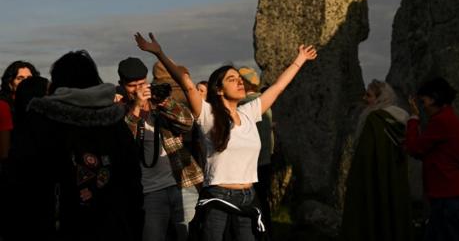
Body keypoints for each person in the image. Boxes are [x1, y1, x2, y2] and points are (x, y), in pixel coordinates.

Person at [134, 32, 317, 241]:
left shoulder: (249, 112)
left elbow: (278, 87)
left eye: (240, 79)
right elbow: (186, 83)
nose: (239, 82)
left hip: (249, 197)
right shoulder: (208, 115)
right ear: (219, 90)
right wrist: (159, 53)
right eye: (232, 79)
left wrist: (300, 59)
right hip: (218, 198)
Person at [6, 50, 144, 241]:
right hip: (112, 227)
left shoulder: (40, 121)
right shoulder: (114, 122)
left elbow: (19, 182)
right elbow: (132, 181)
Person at [116, 57, 203, 241]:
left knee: (191, 235)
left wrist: (164, 102)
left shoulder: (159, 102)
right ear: (122, 85)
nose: (139, 89)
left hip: (182, 182)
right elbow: (123, 141)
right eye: (133, 85)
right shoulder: (120, 109)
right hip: (148, 191)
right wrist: (137, 106)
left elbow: (188, 122)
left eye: (142, 83)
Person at [339, 79, 413, 241]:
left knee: (371, 211)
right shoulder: (401, 120)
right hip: (393, 175)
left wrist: (354, 178)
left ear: (380, 98)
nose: (365, 99)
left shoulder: (375, 119)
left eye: (369, 95)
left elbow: (365, 155)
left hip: (371, 177)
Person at [405, 77, 459, 241]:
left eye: (424, 101)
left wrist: (413, 119)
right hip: (449, 193)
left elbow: (414, 148)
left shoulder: (441, 121)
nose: (423, 106)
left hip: (447, 195)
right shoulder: (448, 119)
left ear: (434, 99)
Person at [238, 66, 274, 237]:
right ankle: (266, 232)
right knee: (262, 202)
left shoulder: (245, 105)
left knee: (251, 204)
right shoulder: (264, 102)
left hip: (249, 164)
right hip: (265, 159)